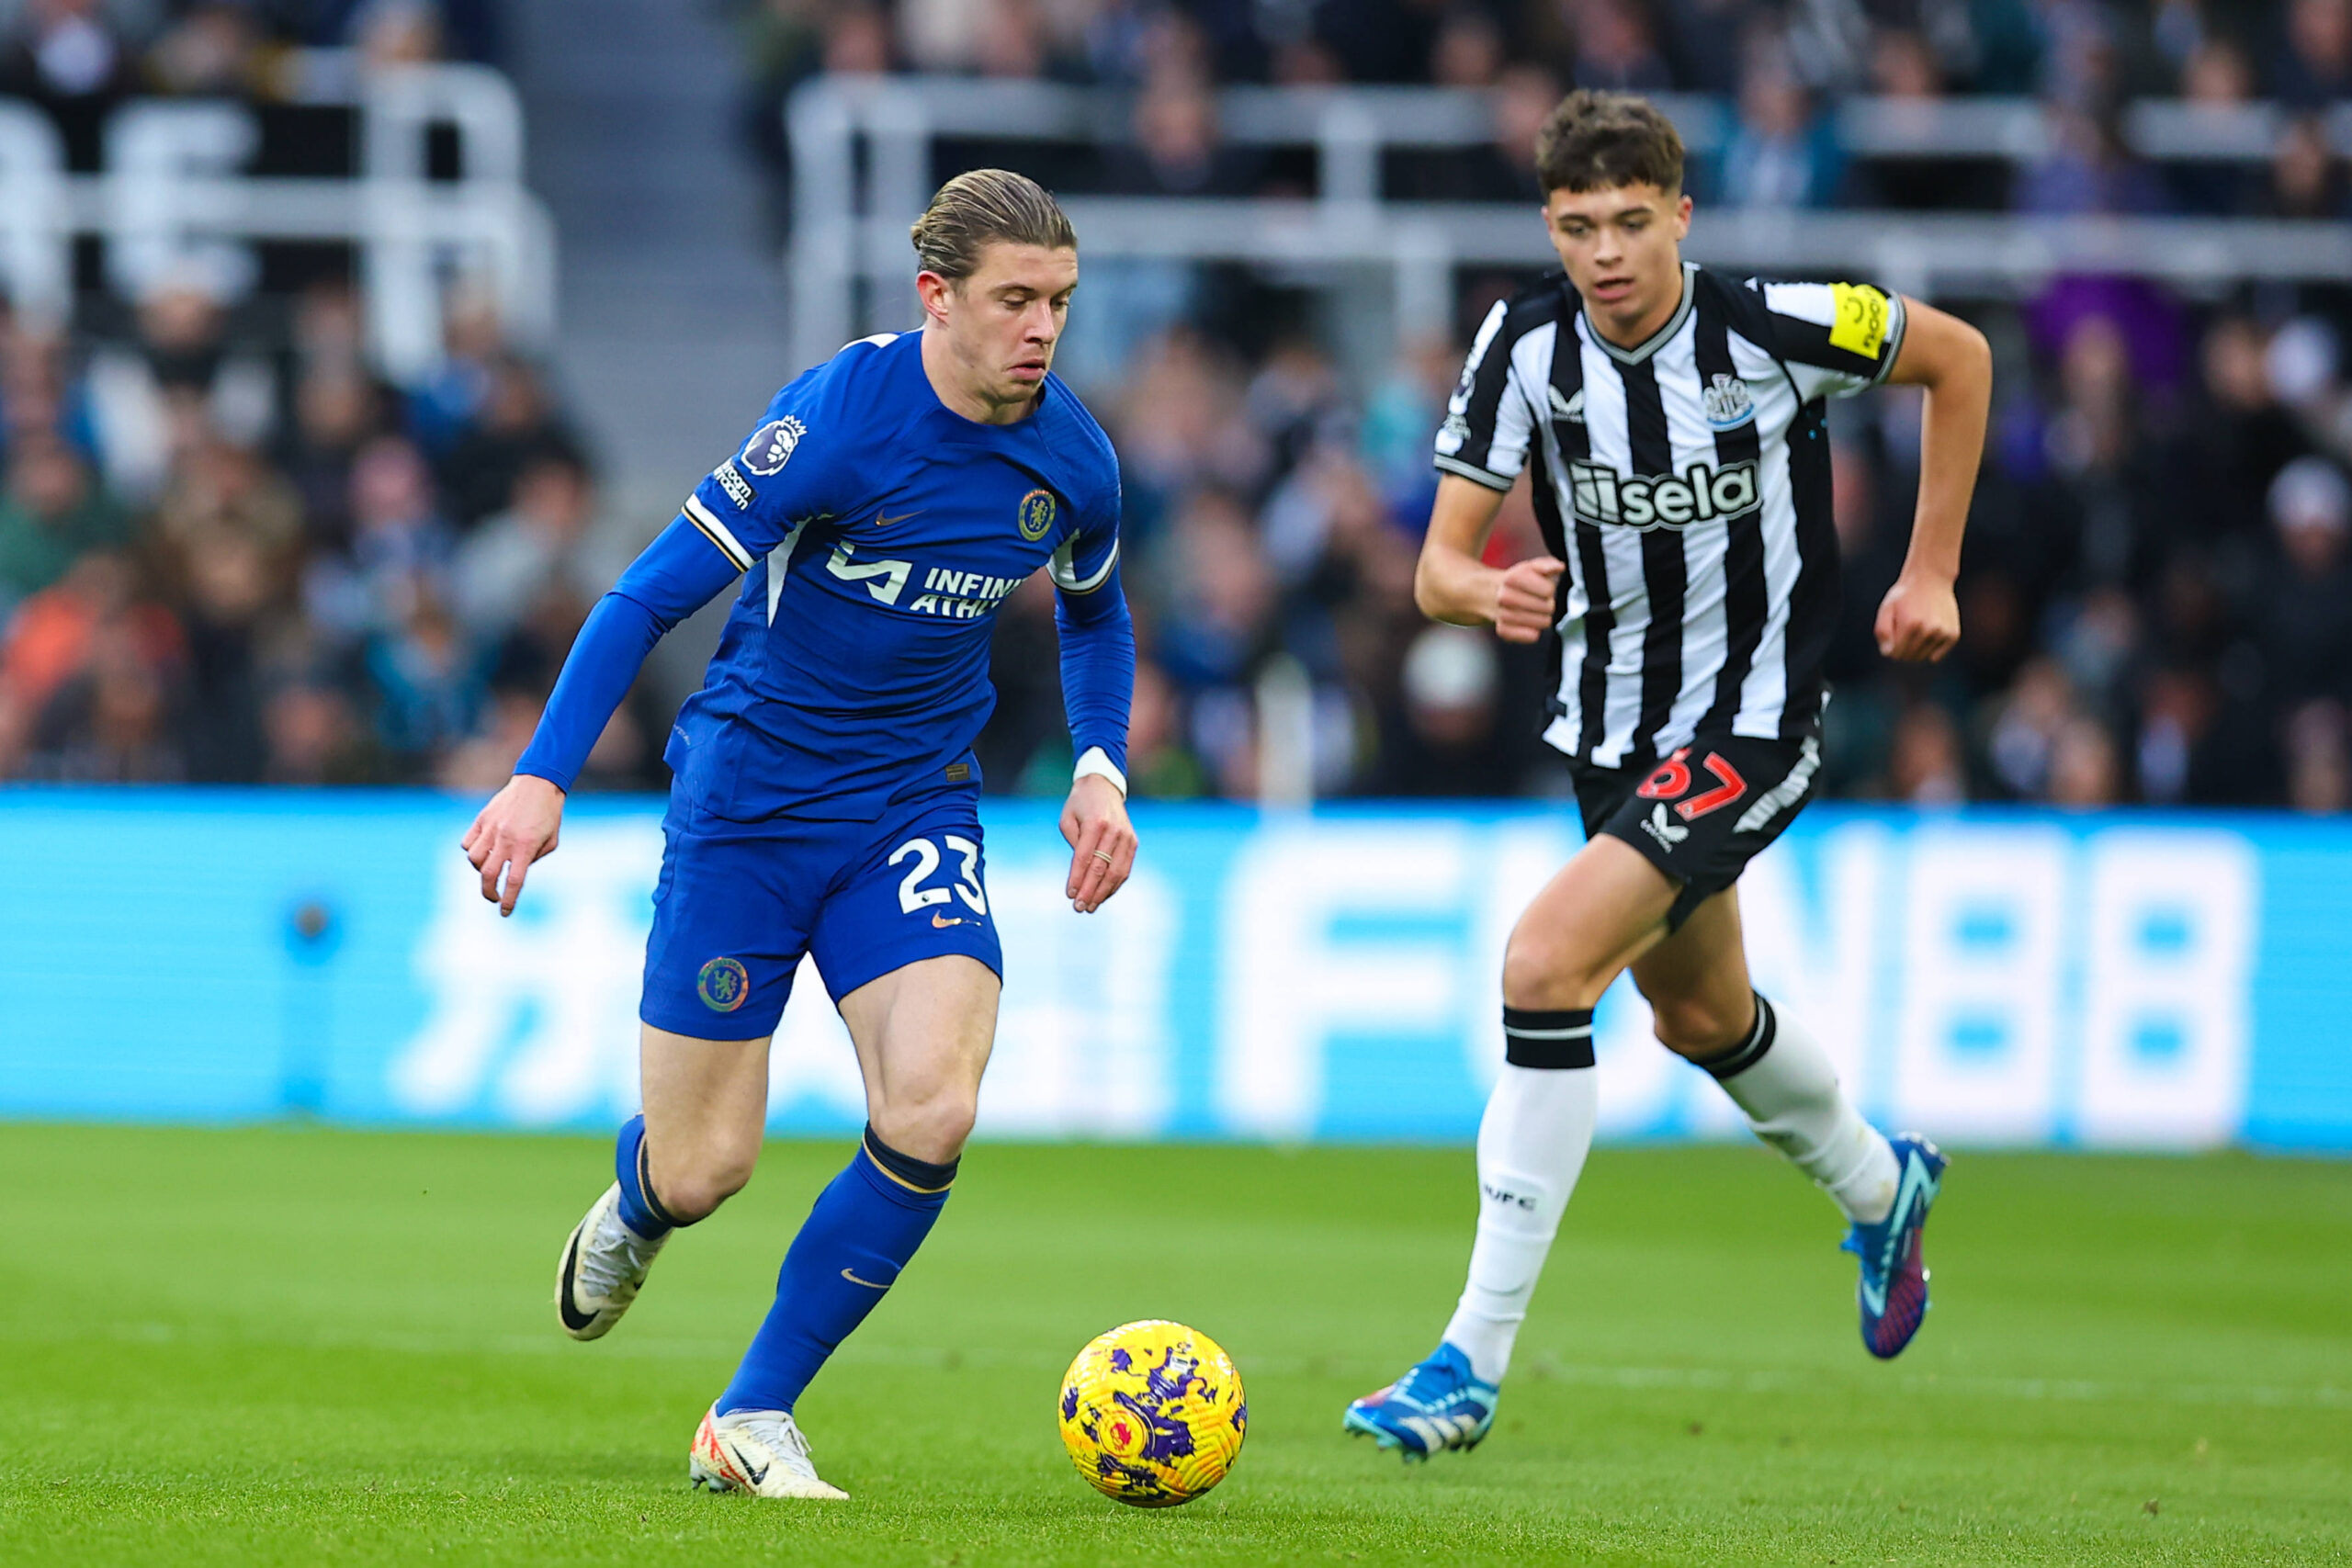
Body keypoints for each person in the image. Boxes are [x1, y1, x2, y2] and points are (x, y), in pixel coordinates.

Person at [461, 170, 1136, 1500]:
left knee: (935, 1104)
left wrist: (1101, 762)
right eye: (1014, 300)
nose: (1041, 330)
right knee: (710, 1166)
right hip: (750, 811)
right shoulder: (836, 423)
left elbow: (1095, 611)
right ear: (936, 297)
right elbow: (644, 597)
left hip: (912, 807)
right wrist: (540, 778)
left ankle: (752, 1413)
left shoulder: (1072, 456)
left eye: (1058, 301)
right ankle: (642, 1204)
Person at [1345, 91, 1992, 1461]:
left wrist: (1930, 564)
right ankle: (1884, 1191)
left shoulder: (1776, 324)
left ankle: (1467, 1361)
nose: (1607, 253)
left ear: (1682, 216)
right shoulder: (1523, 345)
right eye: (1580, 226)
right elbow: (1436, 563)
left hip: (1753, 723)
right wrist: (1481, 592)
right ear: (1551, 228)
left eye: (1633, 222)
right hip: (1605, 735)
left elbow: (1964, 357)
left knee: (1540, 965)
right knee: (1701, 1018)